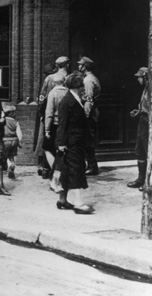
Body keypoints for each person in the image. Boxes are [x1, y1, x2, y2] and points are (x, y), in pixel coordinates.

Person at [55, 73, 94, 214]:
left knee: (66, 170)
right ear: (77, 86)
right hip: (71, 142)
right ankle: (78, 203)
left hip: (74, 141)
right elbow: (62, 124)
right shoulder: (67, 101)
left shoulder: (75, 99)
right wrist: (61, 143)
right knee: (76, 170)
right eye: (82, 85)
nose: (84, 88)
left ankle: (62, 200)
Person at [36, 59, 68, 178]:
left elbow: (41, 96)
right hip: (63, 118)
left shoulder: (49, 78)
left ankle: (46, 169)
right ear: (67, 65)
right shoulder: (68, 78)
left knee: (47, 144)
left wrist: (41, 113)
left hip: (50, 114)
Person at [44, 74, 68, 192]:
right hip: (65, 126)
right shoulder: (68, 92)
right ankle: (56, 174)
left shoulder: (52, 93)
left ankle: (55, 175)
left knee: (48, 148)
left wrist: (47, 129)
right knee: (60, 152)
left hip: (54, 125)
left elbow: (49, 112)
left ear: (54, 83)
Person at [127, 67, 150, 189]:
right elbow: (145, 107)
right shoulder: (146, 90)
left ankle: (149, 181)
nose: (138, 80)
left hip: (147, 123)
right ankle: (141, 179)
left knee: (147, 150)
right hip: (142, 121)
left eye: (139, 77)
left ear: (146, 77)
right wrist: (139, 111)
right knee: (140, 150)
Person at [78, 56, 101, 176]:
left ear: (85, 67)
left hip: (90, 113)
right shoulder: (92, 78)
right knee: (88, 140)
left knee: (88, 141)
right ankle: (91, 165)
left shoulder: (88, 81)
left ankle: (92, 166)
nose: (78, 67)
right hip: (93, 112)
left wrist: (85, 115)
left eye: (80, 65)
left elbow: (89, 100)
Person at [2, 105, 22, 179]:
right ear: (10, 113)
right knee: (12, 155)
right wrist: (19, 141)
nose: (15, 114)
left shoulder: (3, 121)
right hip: (14, 141)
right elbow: (19, 133)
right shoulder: (16, 122)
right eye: (14, 112)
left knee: (5, 155)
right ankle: (12, 166)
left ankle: (9, 165)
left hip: (5, 140)